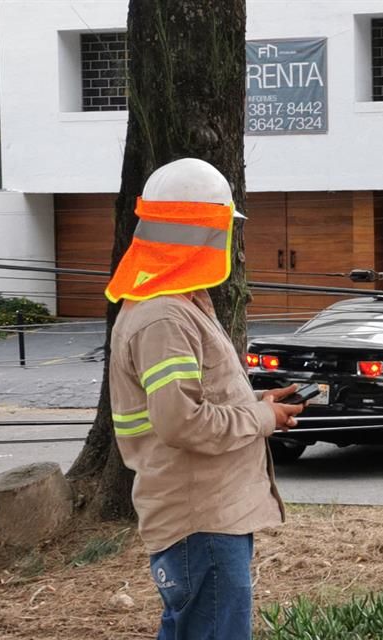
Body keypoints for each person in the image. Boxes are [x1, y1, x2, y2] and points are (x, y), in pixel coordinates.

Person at [105, 157, 302, 639]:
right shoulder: (164, 318)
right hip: (201, 523)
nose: (227, 243)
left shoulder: (180, 303)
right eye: (219, 231)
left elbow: (196, 397)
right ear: (195, 235)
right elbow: (181, 423)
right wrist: (262, 417)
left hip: (207, 520)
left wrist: (257, 399)